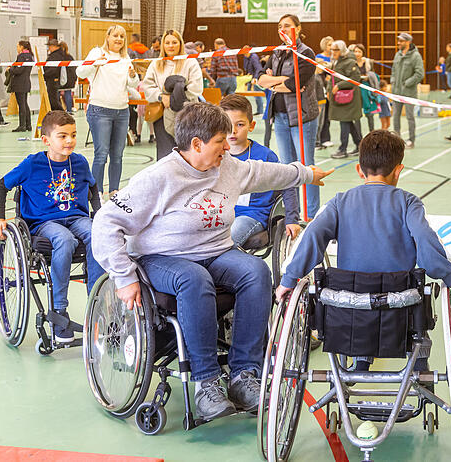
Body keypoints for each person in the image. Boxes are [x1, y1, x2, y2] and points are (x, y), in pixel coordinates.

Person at [91, 102, 332, 421]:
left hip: (216, 251)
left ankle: (244, 374)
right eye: (221, 140)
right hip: (162, 258)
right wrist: (123, 276)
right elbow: (106, 222)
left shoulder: (227, 166)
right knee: (194, 279)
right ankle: (206, 382)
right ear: (196, 144)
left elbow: (263, 172)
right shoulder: (160, 177)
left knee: (256, 272)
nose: (228, 145)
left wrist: (306, 173)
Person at [275, 129, 451, 372]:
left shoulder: (339, 202)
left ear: (359, 170)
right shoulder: (409, 203)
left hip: (349, 308)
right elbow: (426, 242)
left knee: (358, 301)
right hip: (400, 306)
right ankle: (419, 360)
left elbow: (312, 235)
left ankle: (361, 357)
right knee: (417, 299)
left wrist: (289, 279)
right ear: (398, 170)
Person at [0, 111, 105, 342]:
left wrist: (100, 214)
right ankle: (59, 311)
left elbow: (93, 189)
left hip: (76, 218)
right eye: (62, 136)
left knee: (98, 233)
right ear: (46, 140)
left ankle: (98, 304)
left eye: (73, 135)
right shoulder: (32, 165)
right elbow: (0, 186)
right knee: (64, 239)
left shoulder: (80, 162)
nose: (70, 141)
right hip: (45, 223)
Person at [256, 14, 321, 219]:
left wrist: (275, 81)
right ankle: (293, 214)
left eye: (288, 25)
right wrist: (280, 80)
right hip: (281, 117)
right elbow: (261, 80)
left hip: (302, 118)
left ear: (298, 28)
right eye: (280, 26)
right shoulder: (277, 52)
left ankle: (311, 216)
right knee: (287, 168)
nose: (283, 29)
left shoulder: (306, 53)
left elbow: (295, 85)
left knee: (306, 166)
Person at [220, 94, 302, 247]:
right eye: (227, 125)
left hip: (252, 215)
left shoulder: (265, 155)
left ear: (251, 125)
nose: (233, 131)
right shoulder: (218, 154)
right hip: (222, 214)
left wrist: (292, 219)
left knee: (228, 240)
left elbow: (287, 183)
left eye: (239, 125)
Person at [76, 25, 139, 200]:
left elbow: (132, 84)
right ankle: (96, 193)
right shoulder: (97, 53)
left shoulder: (125, 58)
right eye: (115, 36)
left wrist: (133, 76)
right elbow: (80, 71)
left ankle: (114, 191)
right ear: (108, 37)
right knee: (101, 155)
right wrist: (95, 63)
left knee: (117, 155)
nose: (119, 39)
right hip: (100, 110)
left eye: (122, 36)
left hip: (122, 111)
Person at [142, 29, 203, 160]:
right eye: (167, 42)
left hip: (188, 116)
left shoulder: (190, 62)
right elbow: (147, 86)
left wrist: (175, 99)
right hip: (162, 116)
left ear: (180, 44)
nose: (171, 46)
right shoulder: (155, 64)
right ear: (163, 44)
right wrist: (161, 97)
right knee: (165, 156)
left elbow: (196, 87)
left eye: (174, 42)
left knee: (188, 154)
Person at [328, 41, 363, 159]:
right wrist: (329, 90)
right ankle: (360, 145)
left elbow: (355, 79)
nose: (333, 52)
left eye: (335, 50)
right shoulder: (335, 61)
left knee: (345, 122)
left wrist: (339, 86)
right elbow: (332, 77)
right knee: (348, 121)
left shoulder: (350, 62)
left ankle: (342, 149)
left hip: (350, 98)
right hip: (340, 98)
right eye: (332, 50)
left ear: (342, 50)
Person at [391, 32, 425, 149]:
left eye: (401, 41)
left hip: (409, 93)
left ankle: (411, 139)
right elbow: (394, 70)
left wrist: (407, 83)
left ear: (408, 42)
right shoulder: (398, 55)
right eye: (398, 41)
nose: (398, 43)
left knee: (410, 117)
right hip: (396, 92)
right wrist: (393, 80)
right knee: (395, 116)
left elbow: (420, 74)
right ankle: (397, 139)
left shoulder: (415, 56)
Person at [353, 44, 380, 134]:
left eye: (359, 52)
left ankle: (372, 133)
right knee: (356, 115)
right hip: (356, 89)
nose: (357, 54)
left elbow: (373, 75)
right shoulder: (351, 63)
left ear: (363, 53)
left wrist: (368, 77)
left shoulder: (368, 63)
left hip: (366, 89)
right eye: (355, 51)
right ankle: (358, 138)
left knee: (369, 113)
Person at [9, 40, 34, 133]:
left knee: (22, 105)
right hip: (26, 82)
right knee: (25, 104)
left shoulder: (21, 56)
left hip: (19, 83)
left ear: (22, 47)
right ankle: (28, 125)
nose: (17, 48)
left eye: (18, 46)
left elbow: (18, 70)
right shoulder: (31, 56)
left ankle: (22, 126)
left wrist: (10, 69)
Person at [317, 36, 334, 147]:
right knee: (321, 115)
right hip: (321, 89)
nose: (331, 47)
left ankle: (326, 138)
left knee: (328, 115)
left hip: (332, 88)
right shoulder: (319, 57)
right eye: (329, 45)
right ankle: (319, 139)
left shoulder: (334, 57)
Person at [241, 42, 265, 116]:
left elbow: (258, 68)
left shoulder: (254, 56)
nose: (244, 54)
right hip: (250, 77)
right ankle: (248, 111)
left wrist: (255, 78)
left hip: (256, 78)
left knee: (257, 94)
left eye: (245, 53)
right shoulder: (246, 57)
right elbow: (246, 66)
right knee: (248, 95)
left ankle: (260, 111)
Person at [58, 41, 77, 114]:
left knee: (57, 94)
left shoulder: (58, 57)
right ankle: (69, 110)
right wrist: (74, 78)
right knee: (68, 93)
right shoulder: (70, 57)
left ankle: (59, 110)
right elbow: (74, 69)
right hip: (70, 79)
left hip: (60, 79)